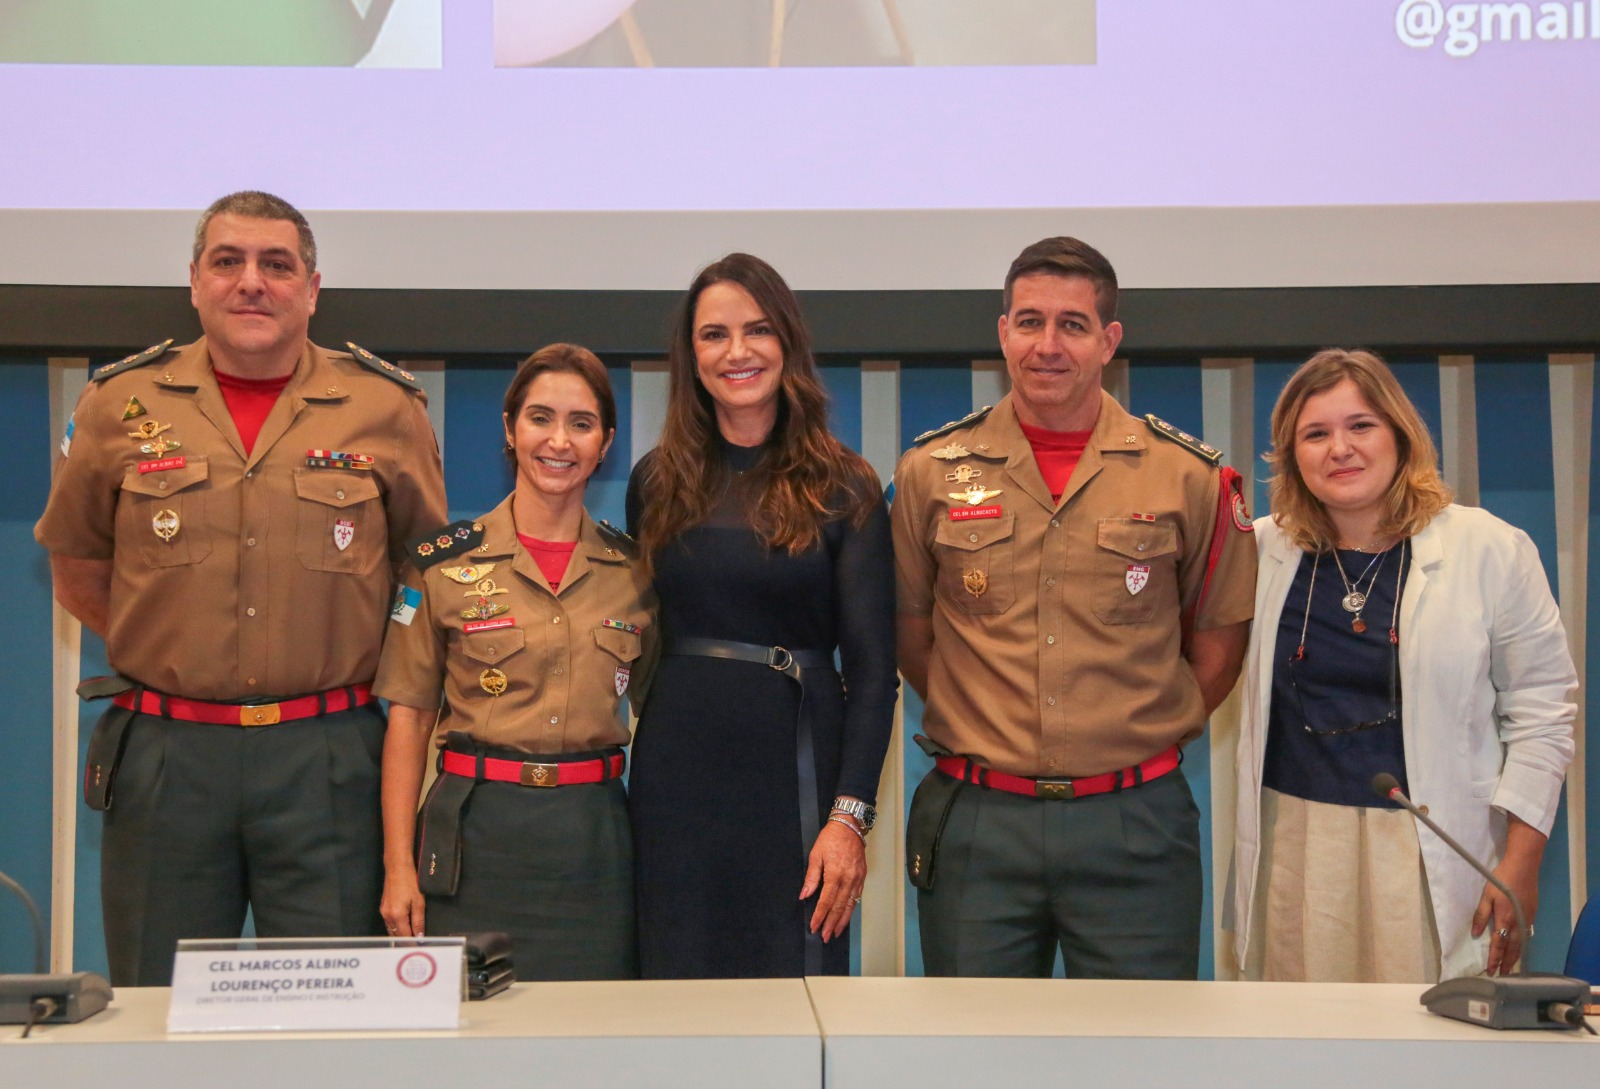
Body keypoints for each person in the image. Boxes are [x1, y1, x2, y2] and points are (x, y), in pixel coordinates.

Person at [34, 190, 448, 986]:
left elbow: (425, 574)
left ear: (313, 287)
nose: (251, 281)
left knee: (335, 1013)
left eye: (276, 264)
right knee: (157, 1009)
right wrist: (173, 639)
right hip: (168, 756)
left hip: (327, 758)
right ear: (194, 282)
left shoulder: (383, 408)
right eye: (228, 262)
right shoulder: (118, 405)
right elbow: (78, 566)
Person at [891, 236, 1257, 979]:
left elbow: (1218, 637)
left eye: (1072, 325)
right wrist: (990, 712)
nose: (1047, 345)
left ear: (1109, 341)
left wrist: (1144, 721)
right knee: (975, 1058)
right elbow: (912, 630)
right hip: (978, 822)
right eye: (1029, 321)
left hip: (1133, 821)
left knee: (1140, 1057)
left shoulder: (1186, 475)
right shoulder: (930, 471)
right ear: (1003, 332)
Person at [1229, 349, 1576, 982]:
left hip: (1434, 848)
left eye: (1360, 425)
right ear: (1292, 454)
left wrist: (1519, 865)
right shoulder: (1259, 548)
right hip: (1296, 847)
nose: (1340, 448)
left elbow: (1543, 716)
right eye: (1316, 433)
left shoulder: (1488, 548)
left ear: (1399, 435)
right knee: (1303, 1055)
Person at [626, 253, 896, 978]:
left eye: (758, 330)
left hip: (798, 777)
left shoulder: (847, 485)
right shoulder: (655, 480)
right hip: (675, 776)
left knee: (792, 995)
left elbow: (873, 675)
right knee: (674, 981)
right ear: (691, 355)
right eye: (714, 334)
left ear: (789, 345)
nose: (737, 351)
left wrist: (849, 818)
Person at [375, 344, 655, 979]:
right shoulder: (440, 563)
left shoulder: (636, 572)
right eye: (540, 418)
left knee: (593, 1048)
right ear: (509, 428)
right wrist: (398, 868)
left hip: (594, 840)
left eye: (581, 424)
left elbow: (662, 714)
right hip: (475, 836)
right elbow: (409, 720)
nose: (559, 441)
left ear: (605, 442)